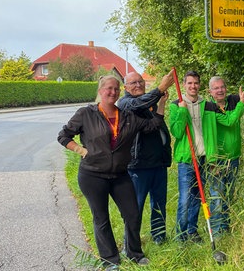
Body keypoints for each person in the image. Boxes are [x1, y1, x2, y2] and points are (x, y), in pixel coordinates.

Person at [57, 73, 174, 270]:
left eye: (115, 88)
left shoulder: (127, 116)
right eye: (108, 88)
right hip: (92, 175)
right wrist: (80, 150)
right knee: (101, 218)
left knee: (132, 214)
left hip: (120, 175)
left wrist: (161, 104)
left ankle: (134, 254)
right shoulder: (86, 114)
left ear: (120, 92)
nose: (112, 92)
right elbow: (64, 135)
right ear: (101, 91)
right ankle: (110, 260)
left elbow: (153, 125)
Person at [169, 70, 244, 242]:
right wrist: (182, 112)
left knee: (198, 198)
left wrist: (241, 103)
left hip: (205, 160)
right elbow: (176, 132)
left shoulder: (209, 106)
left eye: (196, 83)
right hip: (187, 160)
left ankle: (192, 231)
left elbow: (228, 121)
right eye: (189, 83)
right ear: (184, 85)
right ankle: (181, 237)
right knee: (184, 200)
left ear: (200, 85)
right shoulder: (176, 105)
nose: (193, 86)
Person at [207, 53, 244, 236]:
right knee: (217, 197)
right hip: (217, 161)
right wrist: (241, 104)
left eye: (222, 87)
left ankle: (225, 228)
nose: (220, 90)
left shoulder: (234, 100)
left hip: (233, 159)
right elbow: (230, 121)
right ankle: (217, 232)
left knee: (228, 196)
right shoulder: (209, 108)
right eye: (216, 88)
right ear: (210, 92)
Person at [116, 72, 173, 245]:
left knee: (159, 204)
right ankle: (131, 243)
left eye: (140, 81)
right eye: (133, 83)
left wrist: (161, 103)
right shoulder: (126, 103)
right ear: (125, 87)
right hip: (138, 167)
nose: (138, 85)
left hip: (158, 164)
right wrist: (161, 87)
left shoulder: (149, 104)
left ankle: (159, 236)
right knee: (135, 207)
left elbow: (157, 123)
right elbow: (138, 104)